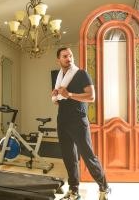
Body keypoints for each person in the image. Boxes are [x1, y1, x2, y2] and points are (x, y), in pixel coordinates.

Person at [52, 47, 110, 200]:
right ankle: (74, 190)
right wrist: (56, 97)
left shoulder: (81, 74)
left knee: (88, 156)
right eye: (64, 56)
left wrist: (69, 94)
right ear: (58, 59)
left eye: (70, 55)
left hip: (78, 121)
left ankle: (104, 186)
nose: (68, 58)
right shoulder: (60, 77)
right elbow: (60, 102)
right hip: (62, 120)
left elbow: (91, 97)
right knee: (69, 157)